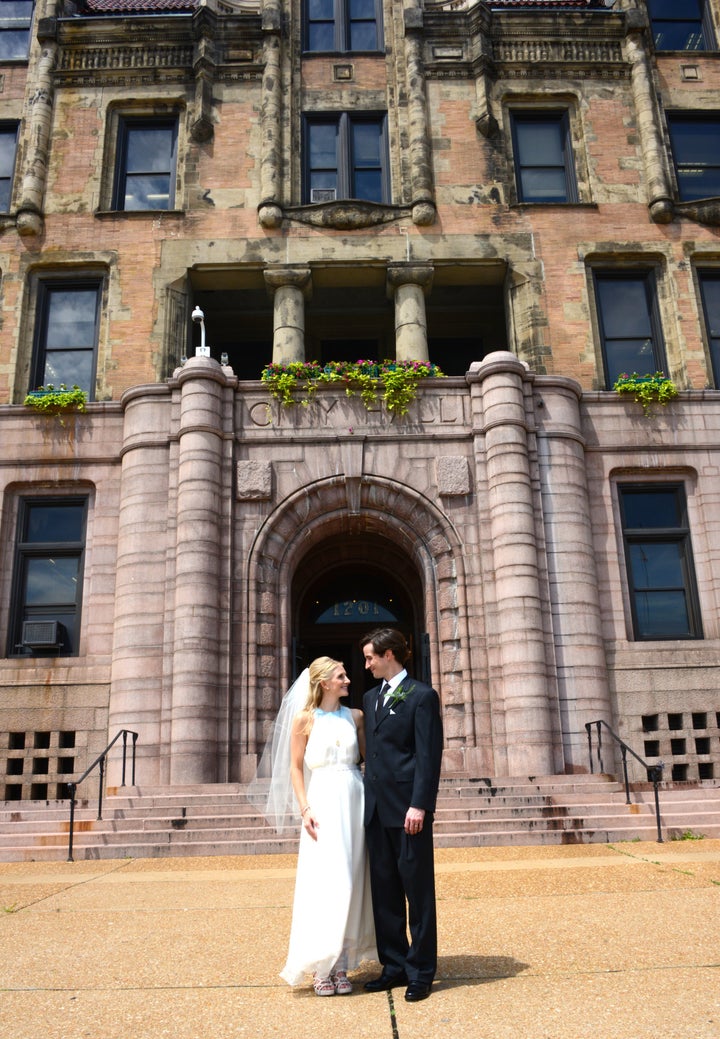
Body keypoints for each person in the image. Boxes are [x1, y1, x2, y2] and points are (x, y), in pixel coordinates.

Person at [248, 656, 377, 995]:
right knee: (326, 881)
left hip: (353, 798)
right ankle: (321, 965)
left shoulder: (356, 717)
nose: (348, 679)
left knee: (353, 880)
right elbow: (294, 767)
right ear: (324, 683)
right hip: (321, 801)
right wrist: (304, 808)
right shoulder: (304, 719)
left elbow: (369, 760)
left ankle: (342, 964)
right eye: (341, 675)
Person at [360, 627, 443, 1003]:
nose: (367, 664)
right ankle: (393, 965)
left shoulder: (422, 696)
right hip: (376, 812)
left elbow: (428, 756)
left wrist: (420, 804)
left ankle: (421, 971)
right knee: (385, 894)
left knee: (418, 894)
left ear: (389, 654)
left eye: (370, 657)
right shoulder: (370, 696)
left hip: (409, 812)